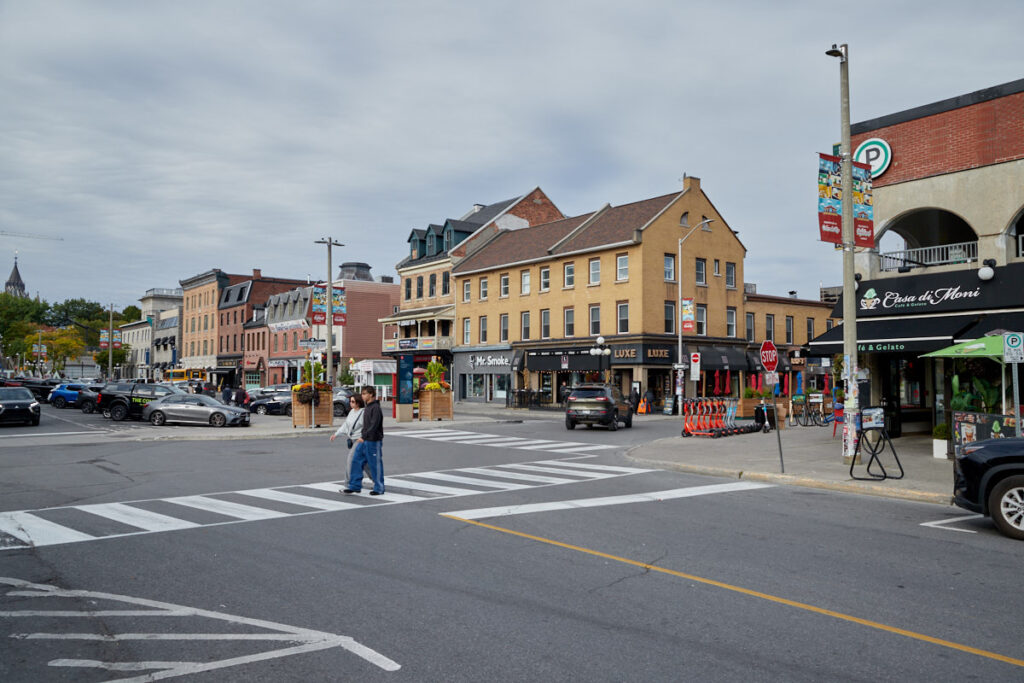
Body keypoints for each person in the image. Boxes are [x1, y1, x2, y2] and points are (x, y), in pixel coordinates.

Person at [343, 385, 385, 495]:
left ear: (371, 394)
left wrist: (364, 436)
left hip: (373, 440)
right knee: (355, 460)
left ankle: (379, 488)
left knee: (375, 464)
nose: (362, 396)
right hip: (364, 439)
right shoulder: (368, 407)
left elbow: (374, 425)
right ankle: (355, 486)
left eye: (364, 393)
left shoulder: (375, 408)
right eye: (362, 394)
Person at [330, 394, 370, 483]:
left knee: (350, 460)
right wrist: (336, 434)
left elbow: (368, 427)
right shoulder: (352, 412)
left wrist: (364, 437)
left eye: (353, 401)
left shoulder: (364, 412)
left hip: (360, 440)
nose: (350, 403)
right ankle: (376, 479)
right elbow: (346, 425)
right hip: (353, 439)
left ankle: (348, 484)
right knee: (366, 463)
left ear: (358, 402)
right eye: (350, 401)